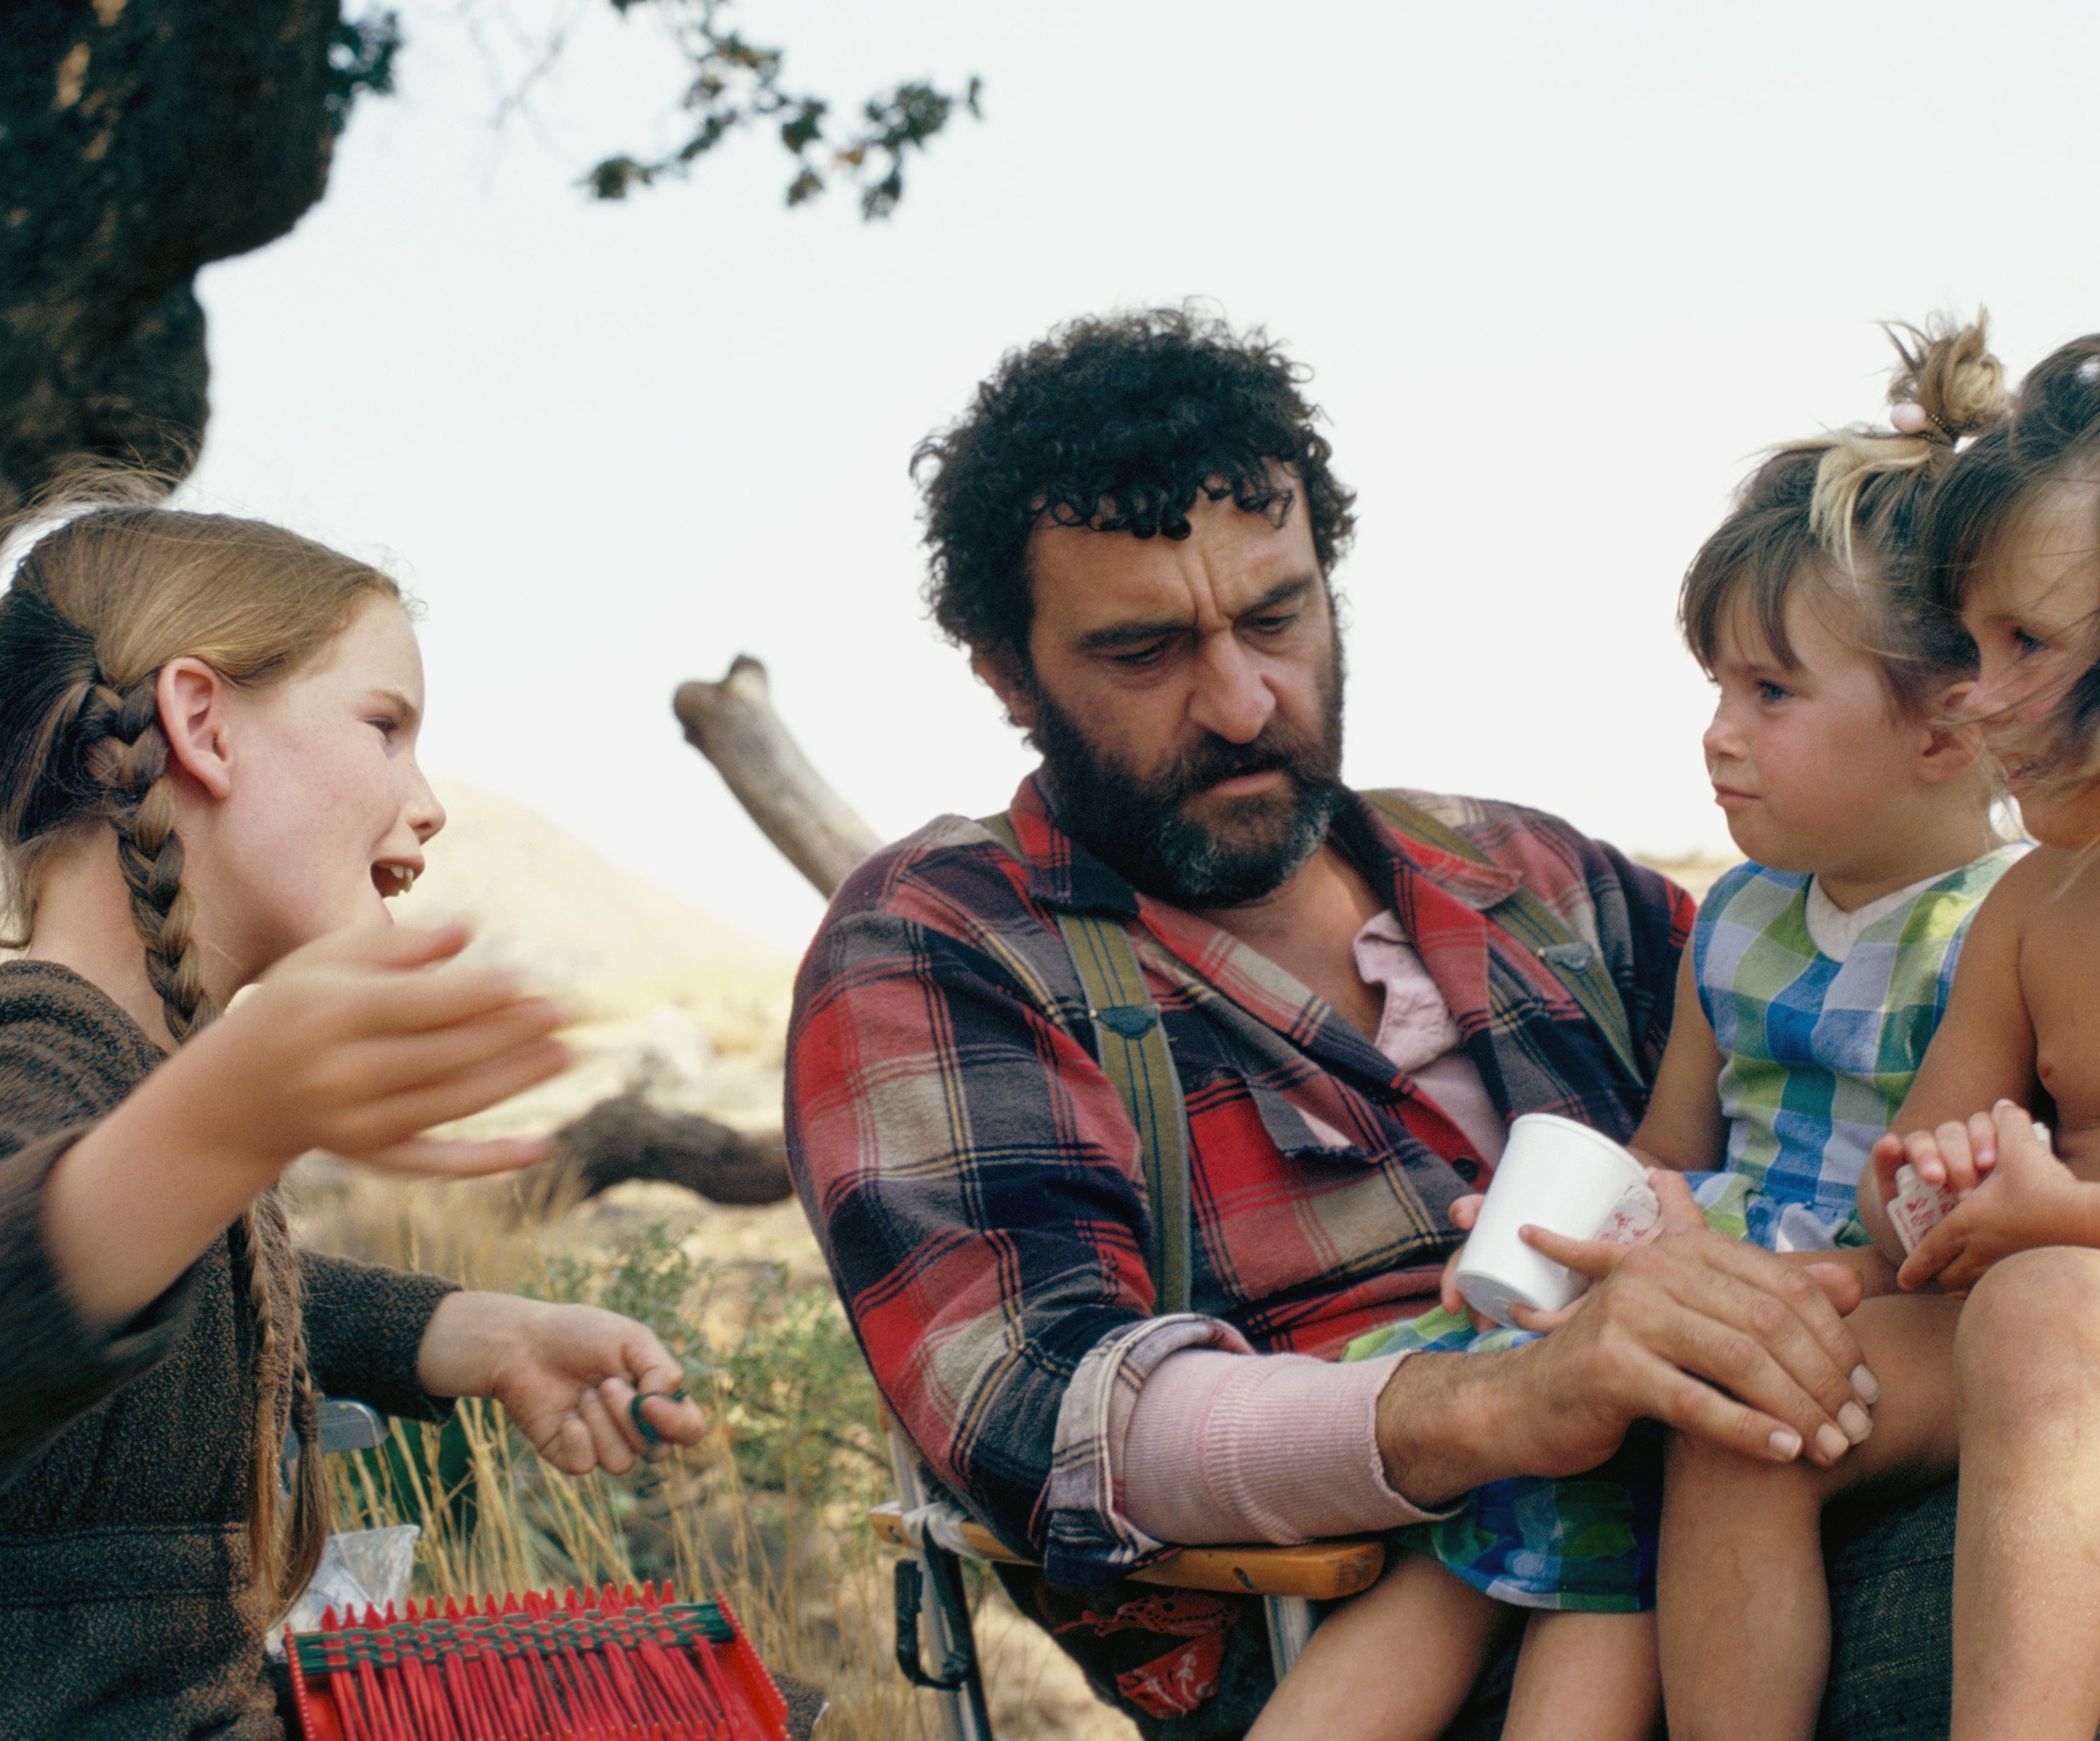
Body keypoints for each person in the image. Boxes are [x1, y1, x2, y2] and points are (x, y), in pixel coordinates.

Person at [786, 307, 1878, 1735]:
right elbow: (1043, 1413)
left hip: (1753, 1520)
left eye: (1277, 617)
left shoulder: (1537, 877)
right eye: (1143, 650)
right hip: (1358, 1638)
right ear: (1007, 672)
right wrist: (1502, 1406)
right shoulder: (942, 944)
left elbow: (1855, 1090)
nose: (1242, 701)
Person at [0, 483, 709, 1739]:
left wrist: (481, 1330)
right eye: (385, 724)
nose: (430, 801)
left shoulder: (136, 1080)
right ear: (201, 724)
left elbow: (216, 1281)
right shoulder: (20, 1038)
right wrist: (236, 1109)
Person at [1251, 317, 2021, 1741]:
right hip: (1704, 1281)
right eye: (1716, 687)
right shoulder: (1736, 914)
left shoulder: (2005, 928)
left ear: (1951, 721)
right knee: (1482, 1524)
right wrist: (1598, 1221)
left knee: (1605, 1554)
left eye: (1770, 692)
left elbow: (1973, 1228)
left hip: (1856, 1307)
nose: (1719, 732)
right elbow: (1671, 1145)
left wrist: (1703, 1266)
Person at [1659, 247, 2100, 1741]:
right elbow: (1923, 1217)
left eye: (2028, 645)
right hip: (2070, 1302)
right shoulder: (2037, 909)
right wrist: (1934, 1184)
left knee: (2049, 1313)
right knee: (1758, 1393)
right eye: (1968, 645)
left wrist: (2070, 1217)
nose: (1976, 693)